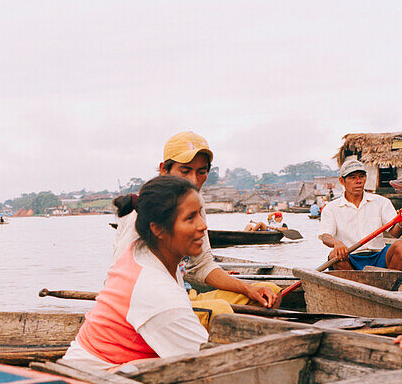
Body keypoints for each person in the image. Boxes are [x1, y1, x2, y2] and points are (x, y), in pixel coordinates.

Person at [112, 132, 279, 309]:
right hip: (153, 305)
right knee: (221, 309)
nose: (193, 180)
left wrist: (248, 289)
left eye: (201, 172)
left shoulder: (194, 204)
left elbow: (202, 265)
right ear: (164, 169)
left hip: (183, 295)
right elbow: (119, 279)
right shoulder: (146, 210)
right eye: (185, 171)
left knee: (270, 292)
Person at [60, 176, 210, 369]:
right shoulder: (157, 291)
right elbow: (208, 364)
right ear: (157, 229)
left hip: (87, 365)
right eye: (190, 218)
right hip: (94, 382)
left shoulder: (143, 251)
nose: (202, 225)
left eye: (200, 214)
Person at [319, 158, 402, 270]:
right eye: (353, 177)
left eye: (361, 176)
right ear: (342, 181)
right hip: (349, 258)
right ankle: (354, 286)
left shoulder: (381, 202)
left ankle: (390, 283)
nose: (358, 181)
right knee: (334, 255)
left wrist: (401, 223)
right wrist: (336, 243)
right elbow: (325, 236)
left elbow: (395, 234)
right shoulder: (331, 208)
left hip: (378, 256)